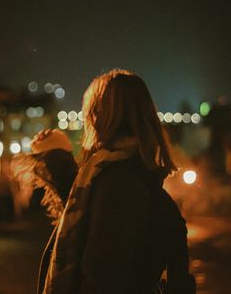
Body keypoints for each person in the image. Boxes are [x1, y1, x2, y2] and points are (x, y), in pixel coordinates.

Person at [39, 69, 196, 294]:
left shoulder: (119, 184)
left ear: (99, 116)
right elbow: (90, 227)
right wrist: (56, 159)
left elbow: (103, 276)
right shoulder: (132, 175)